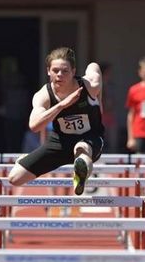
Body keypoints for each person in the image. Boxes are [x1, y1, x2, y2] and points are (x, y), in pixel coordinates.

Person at [8, 47, 103, 196]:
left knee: (81, 148)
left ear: (73, 71)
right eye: (55, 70)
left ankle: (80, 175)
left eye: (65, 71)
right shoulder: (43, 95)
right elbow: (34, 126)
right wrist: (62, 105)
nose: (59, 75)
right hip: (59, 142)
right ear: (48, 71)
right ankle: (27, 160)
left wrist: (99, 102)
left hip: (90, 138)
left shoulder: (89, 86)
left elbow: (94, 67)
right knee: (14, 178)